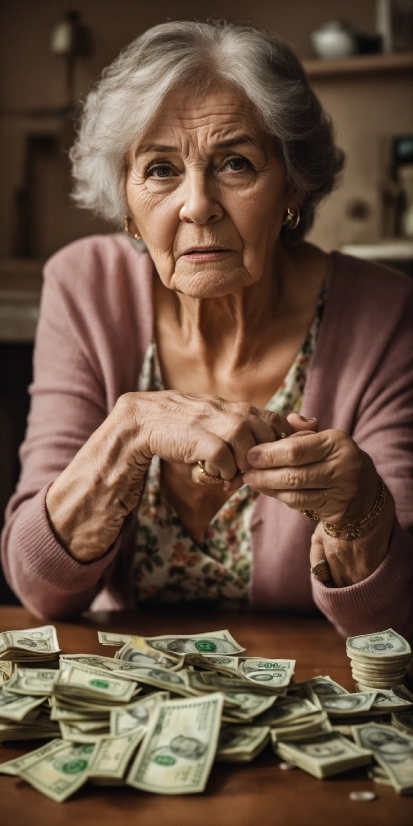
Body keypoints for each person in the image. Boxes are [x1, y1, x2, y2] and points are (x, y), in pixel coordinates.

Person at [1, 22, 412, 643]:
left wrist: (361, 514)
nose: (197, 204)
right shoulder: (84, 288)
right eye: (160, 169)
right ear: (128, 205)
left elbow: (393, 621)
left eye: (236, 163)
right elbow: (40, 587)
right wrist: (125, 435)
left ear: (292, 186)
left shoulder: (383, 313)